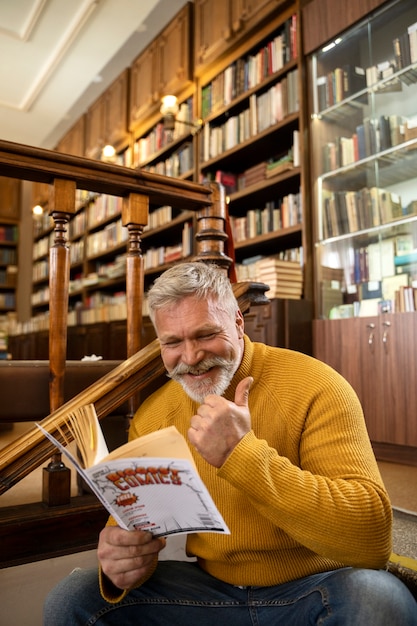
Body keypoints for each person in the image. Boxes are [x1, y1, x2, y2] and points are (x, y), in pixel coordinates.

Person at [44, 261, 417, 625]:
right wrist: (124, 563)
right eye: (172, 342)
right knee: (73, 597)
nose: (190, 358)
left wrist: (242, 455)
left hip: (313, 589)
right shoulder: (153, 416)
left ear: (238, 323)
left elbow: (371, 541)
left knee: (379, 599)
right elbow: (135, 532)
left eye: (205, 334)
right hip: (209, 592)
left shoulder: (316, 385)